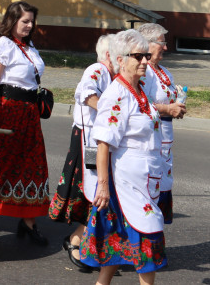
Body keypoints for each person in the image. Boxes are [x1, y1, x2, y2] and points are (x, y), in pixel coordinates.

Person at [80, 30, 168, 282]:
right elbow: (104, 143)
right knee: (146, 237)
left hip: (144, 178)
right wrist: (103, 186)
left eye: (146, 55)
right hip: (125, 180)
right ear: (120, 59)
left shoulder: (138, 91)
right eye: (138, 56)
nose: (144, 61)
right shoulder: (116, 94)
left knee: (118, 239)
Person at [0, 0, 51, 244]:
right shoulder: (2, 44)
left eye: (31, 22)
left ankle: (29, 222)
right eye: (24, 21)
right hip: (6, 112)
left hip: (29, 116)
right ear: (12, 21)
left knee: (32, 166)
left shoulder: (29, 46)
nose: (29, 26)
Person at [49, 33, 116, 274]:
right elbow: (85, 93)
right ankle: (76, 241)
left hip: (99, 140)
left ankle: (87, 243)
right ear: (109, 54)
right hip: (87, 141)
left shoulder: (111, 74)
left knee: (99, 197)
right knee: (92, 195)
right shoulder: (97, 69)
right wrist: (109, 112)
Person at [137, 23, 187, 224]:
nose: (165, 47)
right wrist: (167, 109)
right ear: (147, 44)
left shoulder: (163, 71)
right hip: (150, 137)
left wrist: (178, 107)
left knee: (163, 181)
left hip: (165, 138)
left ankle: (153, 234)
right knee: (151, 183)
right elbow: (139, 103)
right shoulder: (144, 71)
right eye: (162, 43)